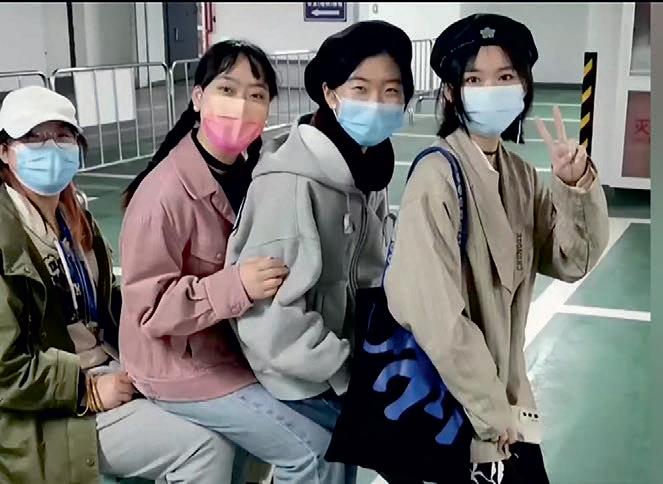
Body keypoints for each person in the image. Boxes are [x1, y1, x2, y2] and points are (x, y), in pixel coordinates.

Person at [382, 14, 610, 483]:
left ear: (523, 86)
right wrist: (491, 414)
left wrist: (575, 187)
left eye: (505, 77)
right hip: (461, 411)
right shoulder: (436, 178)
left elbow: (572, 260)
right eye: (474, 80)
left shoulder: (520, 174)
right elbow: (437, 319)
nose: (492, 90)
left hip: (504, 402)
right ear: (451, 92)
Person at [119, 40, 345, 484]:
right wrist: (236, 286)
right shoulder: (162, 196)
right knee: (312, 452)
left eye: (256, 95)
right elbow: (149, 310)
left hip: (239, 352)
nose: (241, 106)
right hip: (179, 368)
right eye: (227, 89)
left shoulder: (254, 174)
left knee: (338, 427)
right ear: (198, 97)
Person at [0, 86, 233, 484]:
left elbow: (108, 303)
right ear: (5, 152)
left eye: (62, 135)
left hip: (110, 366)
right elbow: (6, 370)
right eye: (33, 138)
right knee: (206, 447)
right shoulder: (7, 239)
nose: (50, 148)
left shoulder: (74, 216)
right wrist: (86, 391)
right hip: (45, 409)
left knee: (234, 419)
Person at [225, 21, 414, 481]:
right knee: (330, 459)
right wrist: (349, 371)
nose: (377, 102)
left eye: (391, 90)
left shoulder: (367, 172)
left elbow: (374, 272)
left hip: (345, 365)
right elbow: (272, 321)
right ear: (330, 94)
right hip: (298, 373)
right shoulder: (290, 184)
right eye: (360, 89)